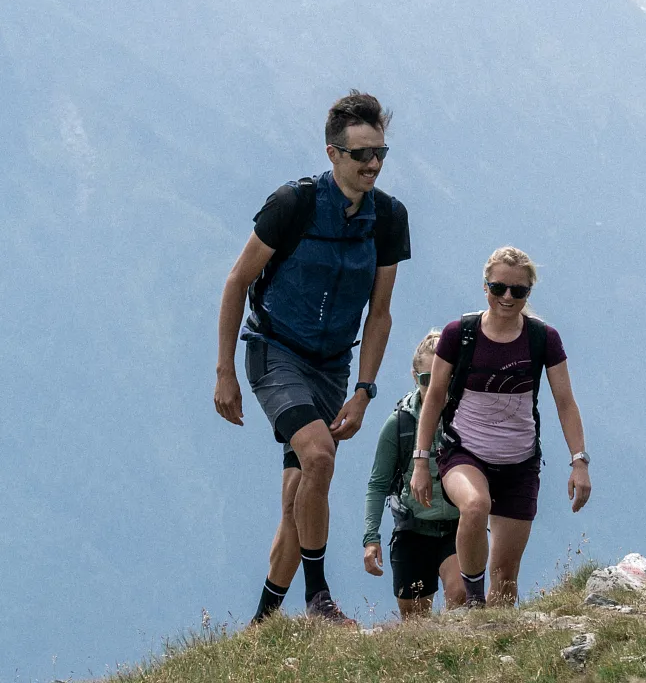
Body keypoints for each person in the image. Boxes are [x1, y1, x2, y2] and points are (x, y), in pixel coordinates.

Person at [214, 91, 411, 624]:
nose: (373, 165)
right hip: (274, 352)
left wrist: (365, 391)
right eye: (361, 155)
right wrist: (225, 371)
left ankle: (262, 626)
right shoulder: (292, 204)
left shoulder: (389, 218)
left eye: (380, 154)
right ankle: (318, 597)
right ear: (332, 153)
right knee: (319, 456)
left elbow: (380, 315)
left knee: (298, 496)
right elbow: (237, 283)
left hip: (332, 368)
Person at [411, 247, 592, 607]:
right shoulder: (459, 333)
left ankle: (495, 645)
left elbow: (565, 402)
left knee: (506, 579)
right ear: (485, 287)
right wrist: (420, 462)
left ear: (528, 293)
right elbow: (433, 398)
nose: (507, 297)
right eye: (498, 288)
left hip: (520, 463)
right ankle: (474, 602)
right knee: (475, 506)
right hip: (464, 452)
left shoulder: (543, 339)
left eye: (518, 291)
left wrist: (579, 461)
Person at [362, 331, 467, 618]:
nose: (437, 388)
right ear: (414, 376)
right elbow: (378, 483)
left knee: (459, 595)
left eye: (445, 378)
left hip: (458, 527)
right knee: (415, 621)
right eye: (426, 380)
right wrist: (371, 538)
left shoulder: (468, 417)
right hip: (413, 529)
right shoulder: (399, 424)